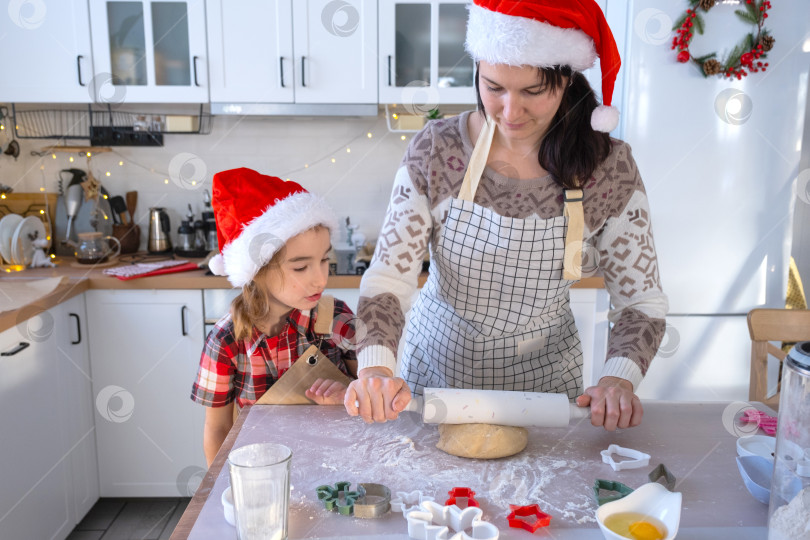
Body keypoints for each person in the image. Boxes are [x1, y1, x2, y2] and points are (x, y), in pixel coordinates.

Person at [345, 0, 668, 431]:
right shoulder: (437, 150)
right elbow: (388, 280)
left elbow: (641, 304)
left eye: (533, 91)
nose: (510, 112)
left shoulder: (608, 167)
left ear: (567, 80)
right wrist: (375, 370)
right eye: (494, 87)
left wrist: (617, 380)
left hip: (546, 396)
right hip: (434, 387)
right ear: (476, 70)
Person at [191, 168, 357, 466]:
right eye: (300, 267)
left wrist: (349, 392)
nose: (320, 279)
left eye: (324, 261)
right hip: (263, 474)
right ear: (258, 270)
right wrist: (222, 490)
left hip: (336, 467)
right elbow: (217, 429)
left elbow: (373, 392)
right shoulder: (227, 340)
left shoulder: (336, 318)